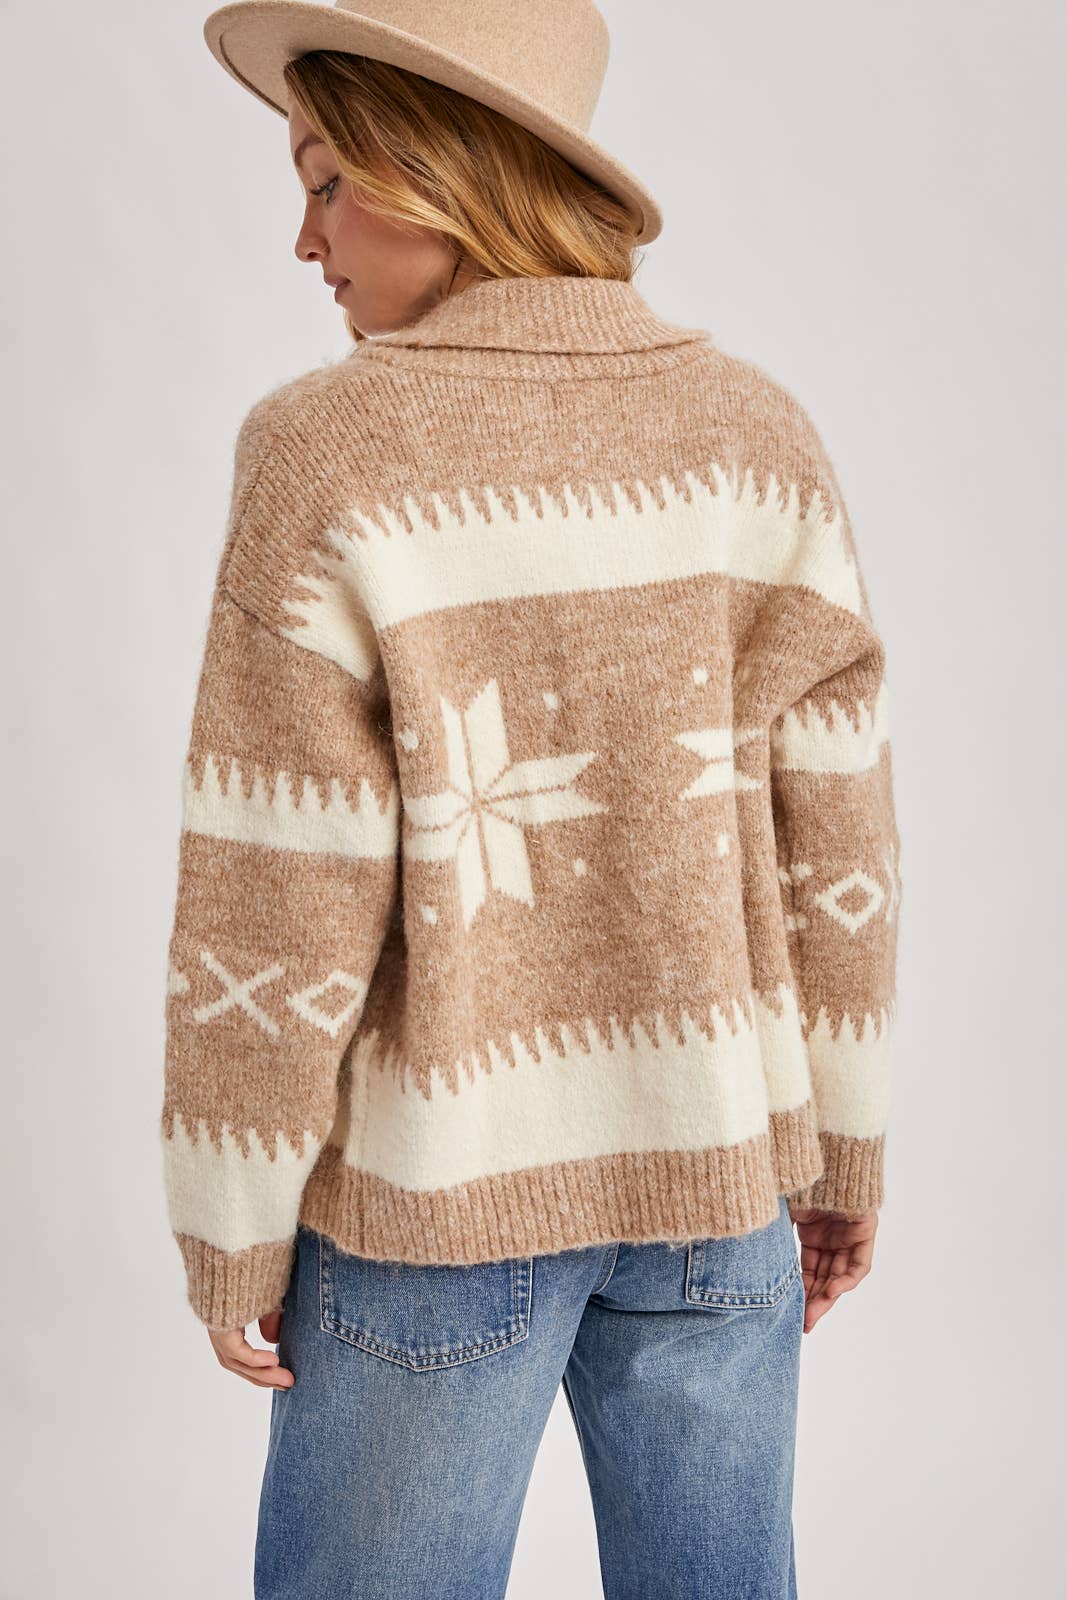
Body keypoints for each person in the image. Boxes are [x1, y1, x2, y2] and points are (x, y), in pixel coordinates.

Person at [160, 1, 901, 1594]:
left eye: (324, 180)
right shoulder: (754, 436)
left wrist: (233, 1212)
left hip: (436, 1207)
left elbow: (282, 874)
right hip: (721, 1195)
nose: (305, 241)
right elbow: (837, 834)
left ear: (435, 169)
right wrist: (845, 1151)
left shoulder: (327, 452)